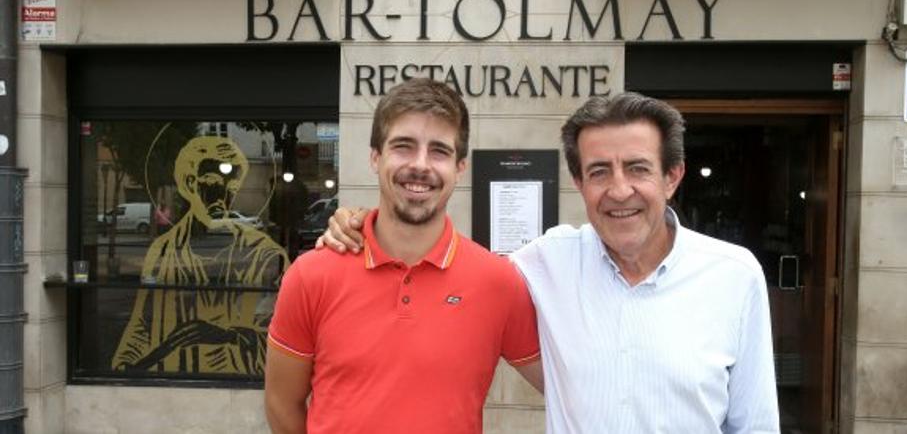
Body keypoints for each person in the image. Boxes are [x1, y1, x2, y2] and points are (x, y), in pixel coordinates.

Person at [319, 92, 780, 433]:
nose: (620, 191)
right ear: (579, 182)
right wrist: (361, 223)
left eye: (637, 168)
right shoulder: (547, 262)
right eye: (599, 171)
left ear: (672, 177)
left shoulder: (734, 276)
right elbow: (455, 264)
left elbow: (755, 424)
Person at [264, 78, 543, 434]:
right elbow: (281, 403)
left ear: (460, 168)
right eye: (403, 146)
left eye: (439, 151)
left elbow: (570, 383)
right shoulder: (311, 274)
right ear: (375, 157)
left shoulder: (498, 282)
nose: (420, 165)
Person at [113, 136, 289, 375]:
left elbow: (287, 333)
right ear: (189, 183)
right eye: (213, 182)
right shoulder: (163, 249)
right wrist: (124, 367)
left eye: (232, 187)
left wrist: (230, 336)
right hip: (172, 377)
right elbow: (143, 325)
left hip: (233, 378)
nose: (223, 196)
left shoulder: (265, 254)